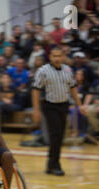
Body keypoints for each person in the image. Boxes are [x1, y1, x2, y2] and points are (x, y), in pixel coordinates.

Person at [32, 47, 83, 176]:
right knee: (56, 134)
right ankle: (56, 165)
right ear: (50, 57)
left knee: (60, 136)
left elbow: (73, 88)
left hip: (64, 105)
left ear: (63, 56)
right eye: (54, 56)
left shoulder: (68, 70)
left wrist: (80, 105)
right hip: (50, 106)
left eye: (59, 56)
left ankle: (50, 165)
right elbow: (35, 90)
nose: (57, 58)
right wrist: (36, 110)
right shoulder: (43, 71)